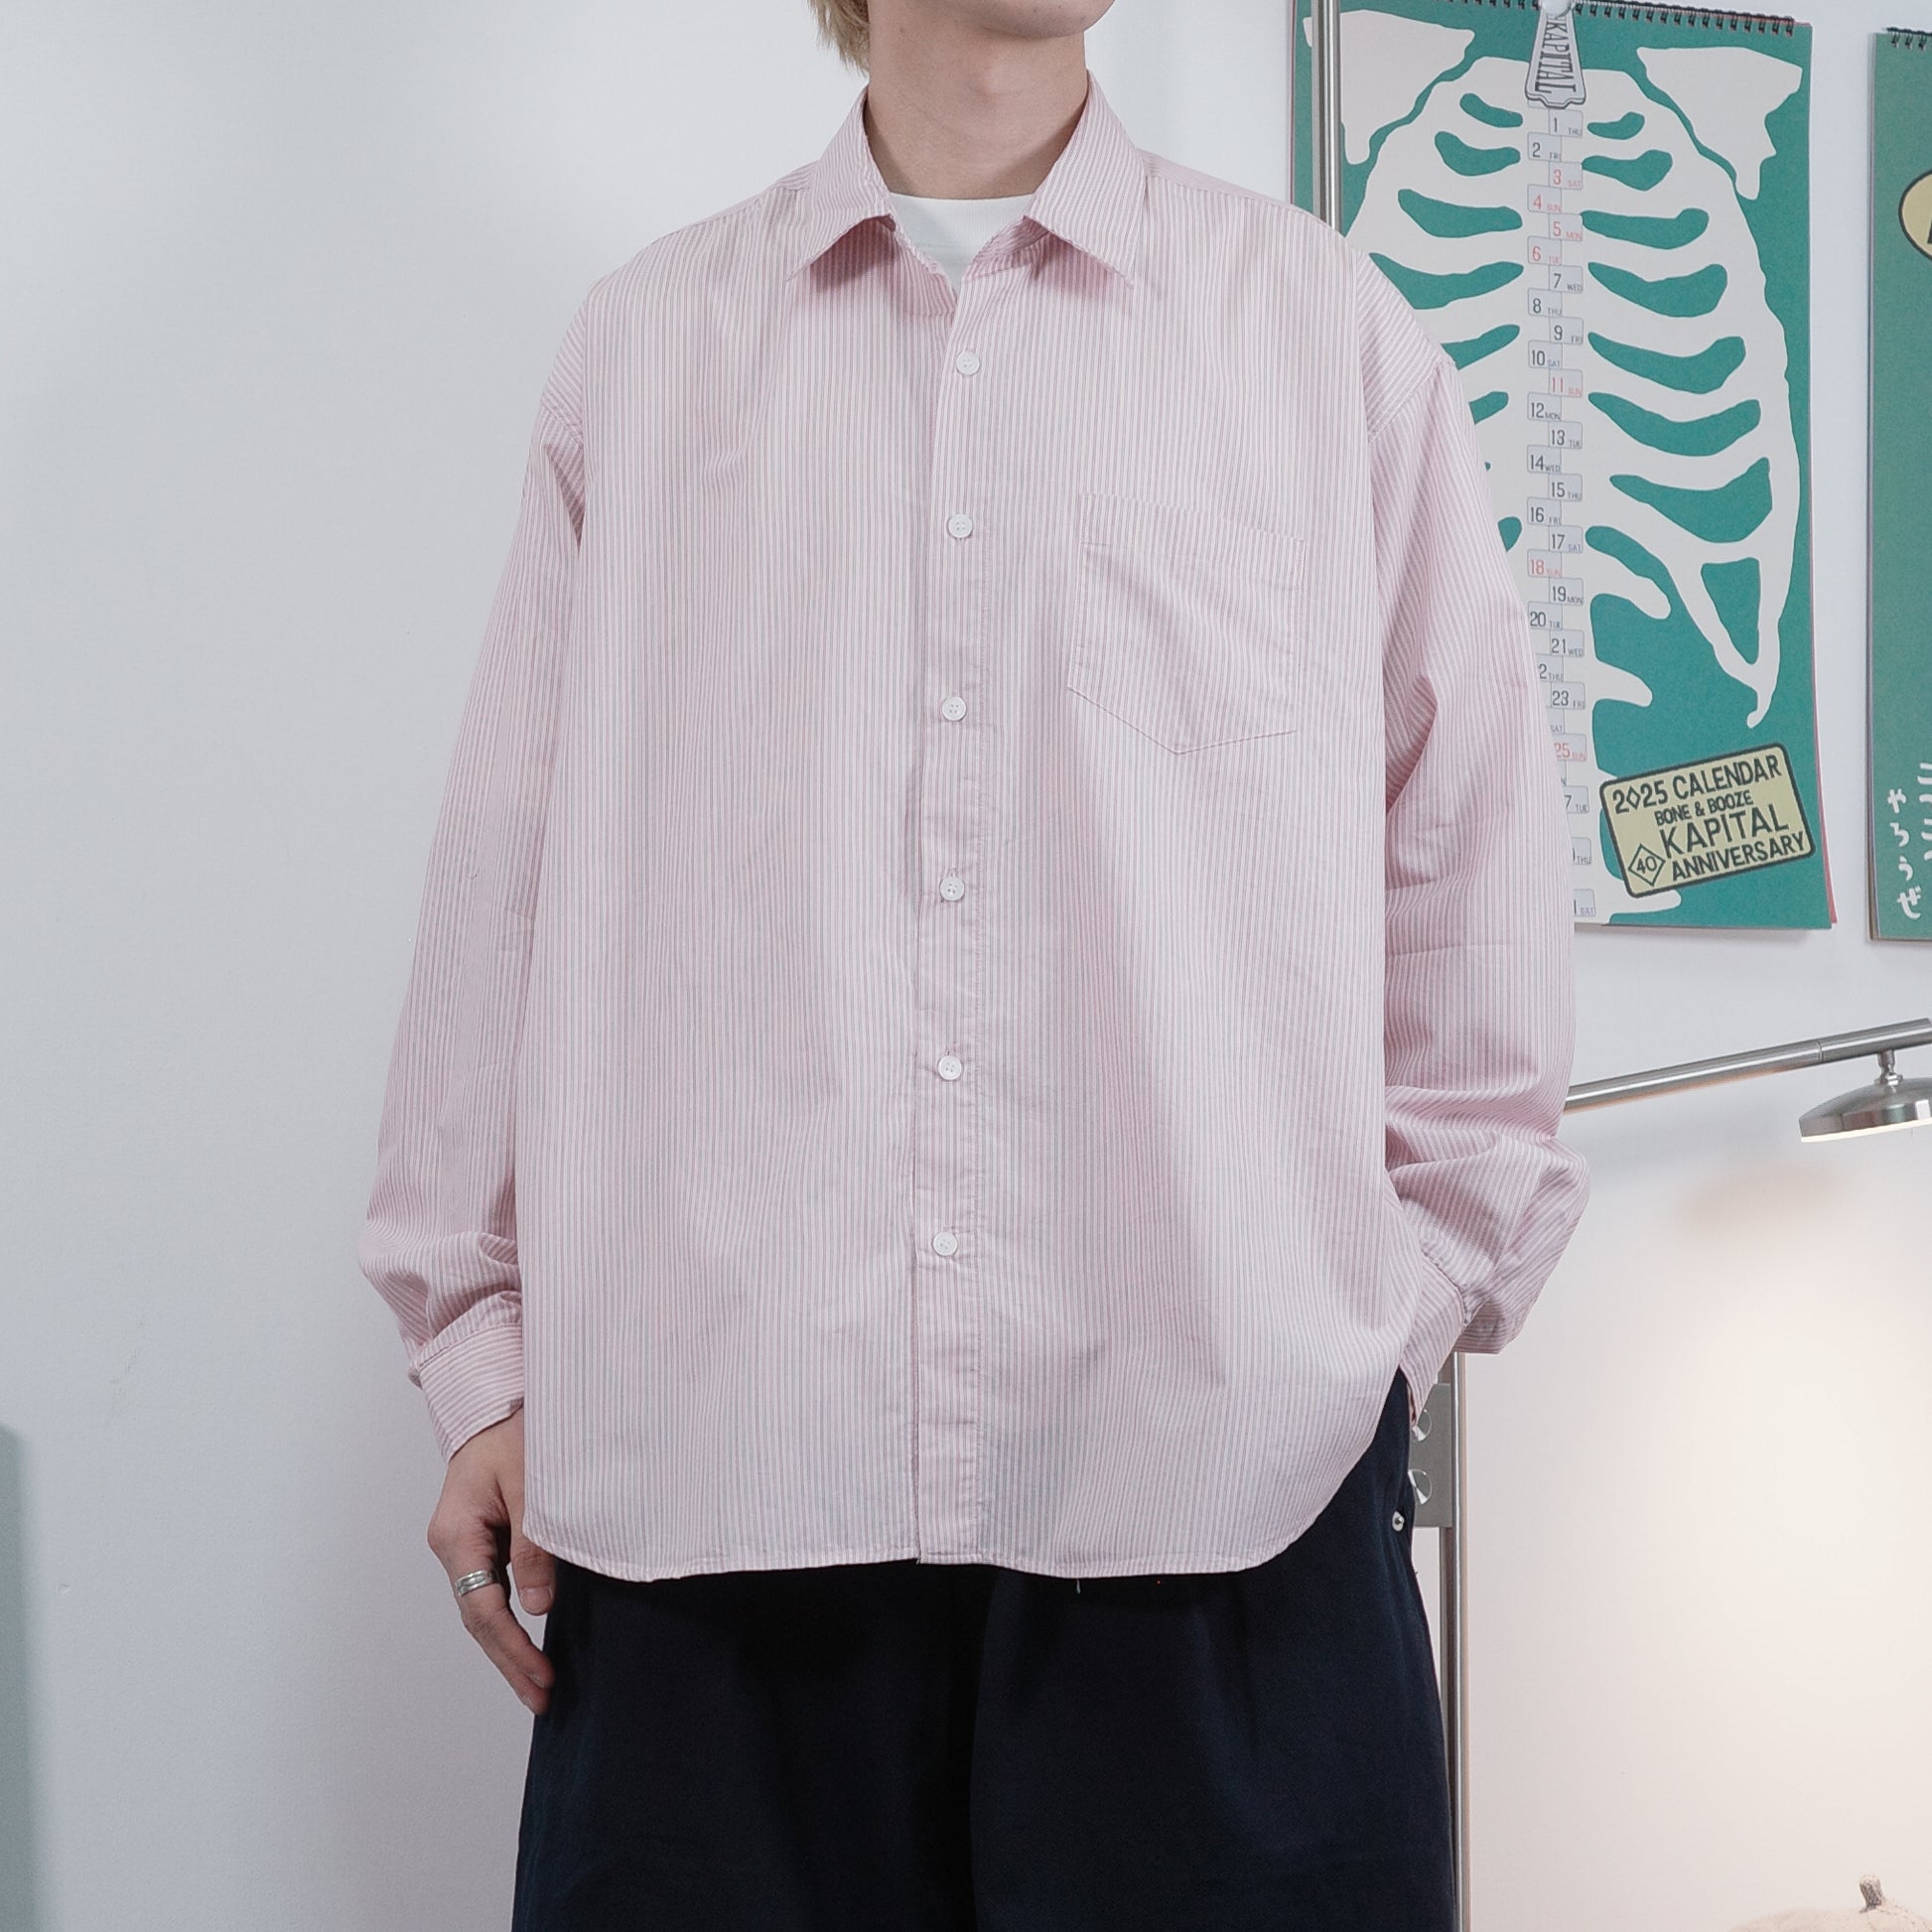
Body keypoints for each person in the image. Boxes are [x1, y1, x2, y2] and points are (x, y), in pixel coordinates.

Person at [356, 0, 1590, 1925]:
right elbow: (506, 860)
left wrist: (1379, 1327)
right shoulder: (650, 348)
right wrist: (479, 1351)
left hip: (1225, 1482)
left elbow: (1467, 844)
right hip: (718, 1485)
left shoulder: (1320, 336)